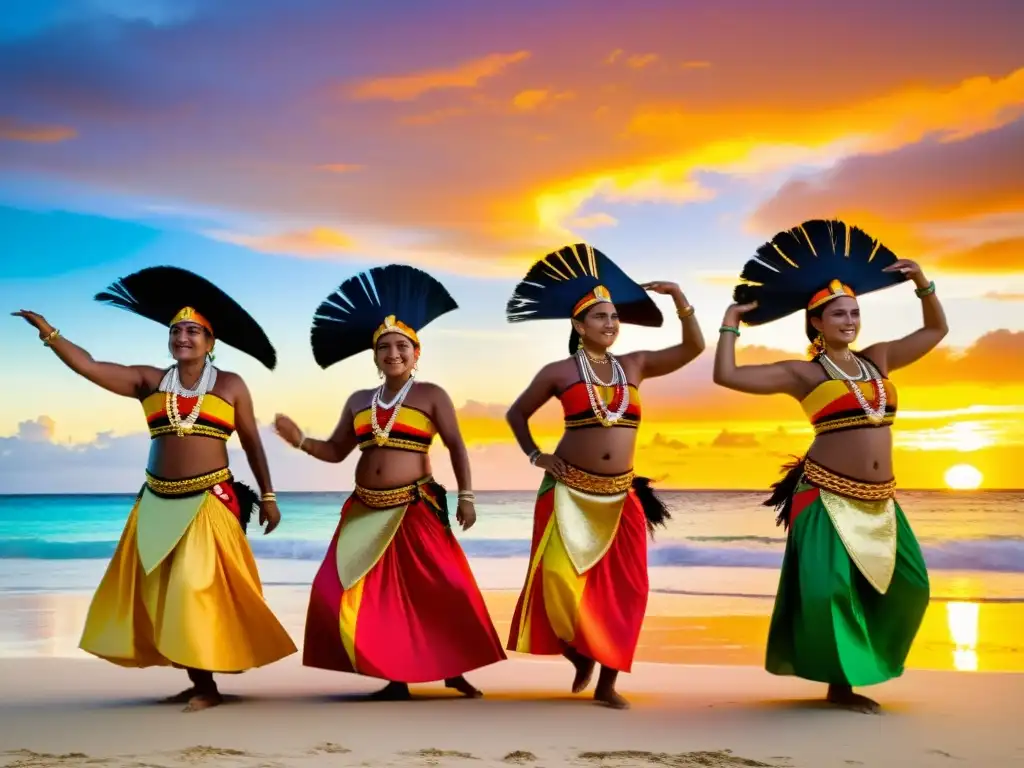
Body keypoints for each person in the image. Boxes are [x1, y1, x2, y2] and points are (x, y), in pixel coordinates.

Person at [12, 266, 297, 712]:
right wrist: (50, 334)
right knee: (162, 592)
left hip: (208, 500)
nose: (183, 337)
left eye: (193, 331)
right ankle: (196, 678)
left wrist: (270, 496)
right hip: (157, 501)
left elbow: (252, 443)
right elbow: (90, 366)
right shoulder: (149, 380)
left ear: (211, 341)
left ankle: (207, 686)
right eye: (176, 331)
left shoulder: (230, 385)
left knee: (193, 587)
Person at [713, 219, 946, 713]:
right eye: (838, 314)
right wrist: (730, 321)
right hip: (824, 494)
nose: (849, 321)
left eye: (855, 313)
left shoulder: (879, 358)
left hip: (880, 499)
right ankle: (840, 685)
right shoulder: (804, 373)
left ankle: (870, 661)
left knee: (911, 586)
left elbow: (936, 329)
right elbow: (727, 375)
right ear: (815, 321)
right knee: (829, 591)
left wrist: (923, 284)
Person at [272, 264, 506, 700]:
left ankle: (452, 667)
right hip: (365, 508)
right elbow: (336, 451)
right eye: (384, 347)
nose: (393, 353)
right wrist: (301, 440)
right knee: (340, 588)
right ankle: (394, 677)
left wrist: (467, 498)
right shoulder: (360, 401)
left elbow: (456, 447)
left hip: (415, 507)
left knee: (444, 588)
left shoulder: (432, 394)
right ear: (374, 356)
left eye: (402, 346)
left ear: (417, 354)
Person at [503, 243, 705, 709]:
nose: (610, 324)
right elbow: (517, 413)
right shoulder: (557, 371)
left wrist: (679, 299)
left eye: (614, 317)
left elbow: (693, 347)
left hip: (621, 494)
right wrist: (536, 455)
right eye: (599, 317)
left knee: (627, 589)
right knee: (556, 574)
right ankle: (577, 649)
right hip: (568, 489)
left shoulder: (635, 365)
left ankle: (608, 681)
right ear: (578, 326)